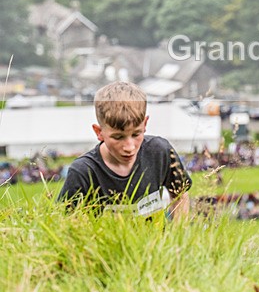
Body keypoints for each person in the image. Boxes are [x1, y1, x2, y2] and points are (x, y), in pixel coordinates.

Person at [57, 81, 192, 218]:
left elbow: (180, 195)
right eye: (118, 137)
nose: (129, 147)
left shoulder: (160, 152)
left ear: (145, 124)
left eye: (136, 134)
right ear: (99, 132)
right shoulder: (83, 172)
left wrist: (178, 229)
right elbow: (66, 221)